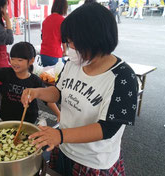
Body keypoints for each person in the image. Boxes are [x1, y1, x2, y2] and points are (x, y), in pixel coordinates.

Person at [21, 3, 138, 175]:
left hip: (93, 161)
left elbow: (107, 128)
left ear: (94, 39)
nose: (70, 48)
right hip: (64, 148)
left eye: (73, 42)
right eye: (68, 42)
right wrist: (37, 92)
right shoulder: (75, 63)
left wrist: (60, 135)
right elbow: (59, 93)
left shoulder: (123, 77)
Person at [0, 42, 60, 124]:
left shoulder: (35, 80)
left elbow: (48, 100)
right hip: (7, 117)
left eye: (20, 60)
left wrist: (58, 114)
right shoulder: (6, 73)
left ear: (31, 61)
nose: (15, 63)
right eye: (12, 59)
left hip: (27, 120)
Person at [40, 0, 68, 67]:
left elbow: (42, 36)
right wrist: (65, 51)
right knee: (57, 76)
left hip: (43, 53)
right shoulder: (62, 21)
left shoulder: (46, 20)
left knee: (46, 76)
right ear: (64, 7)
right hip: (55, 54)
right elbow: (63, 39)